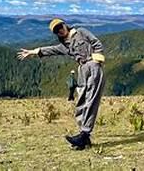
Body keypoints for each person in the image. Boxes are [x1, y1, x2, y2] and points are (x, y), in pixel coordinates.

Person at [17, 18, 105, 150]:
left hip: (92, 66)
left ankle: (84, 134)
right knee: (81, 102)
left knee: (91, 100)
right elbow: (51, 50)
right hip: (82, 70)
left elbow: (97, 43)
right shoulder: (65, 45)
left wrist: (96, 61)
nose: (60, 30)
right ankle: (84, 138)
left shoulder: (81, 32)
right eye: (56, 30)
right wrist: (35, 52)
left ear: (65, 25)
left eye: (60, 26)